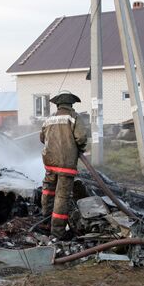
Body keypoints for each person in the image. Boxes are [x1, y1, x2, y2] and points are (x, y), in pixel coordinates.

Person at [40, 90, 87, 239]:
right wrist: (79, 149)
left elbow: (42, 138)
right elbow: (81, 138)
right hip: (66, 163)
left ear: (58, 105)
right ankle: (57, 233)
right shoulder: (74, 117)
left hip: (49, 163)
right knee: (62, 197)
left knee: (48, 193)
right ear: (71, 104)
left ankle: (44, 224)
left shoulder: (49, 119)